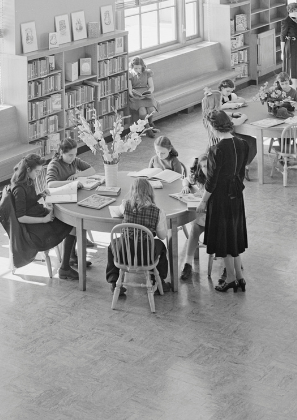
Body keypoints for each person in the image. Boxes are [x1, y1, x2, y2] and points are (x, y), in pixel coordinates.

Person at [1, 154, 80, 280]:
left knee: (72, 224)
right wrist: (44, 220)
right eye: (37, 171)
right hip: (32, 226)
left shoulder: (27, 180)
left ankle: (69, 258)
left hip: (37, 214)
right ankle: (65, 266)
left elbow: (28, 202)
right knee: (71, 225)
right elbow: (20, 217)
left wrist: (40, 195)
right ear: (28, 170)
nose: (38, 174)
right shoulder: (19, 188)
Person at [198, 110, 250, 292]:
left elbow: (211, 181)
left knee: (225, 239)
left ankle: (229, 278)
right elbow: (242, 171)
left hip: (221, 198)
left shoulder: (216, 150)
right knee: (234, 235)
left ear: (213, 127)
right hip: (236, 194)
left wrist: (203, 202)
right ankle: (239, 277)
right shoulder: (242, 144)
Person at [107, 177, 171, 296]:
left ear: (132, 191)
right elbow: (162, 236)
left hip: (125, 254)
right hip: (146, 255)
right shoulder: (158, 212)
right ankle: (159, 280)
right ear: (150, 192)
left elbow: (119, 211)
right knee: (161, 246)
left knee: (112, 246)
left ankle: (114, 282)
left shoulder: (126, 205)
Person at [177, 151, 208, 282]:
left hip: (215, 215)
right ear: (200, 168)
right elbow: (186, 179)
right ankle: (188, 264)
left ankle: (226, 266)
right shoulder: (198, 177)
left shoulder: (217, 178)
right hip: (201, 215)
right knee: (194, 229)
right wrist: (185, 186)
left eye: (209, 166)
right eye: (204, 166)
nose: (207, 169)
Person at [127, 57, 158, 137]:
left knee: (151, 109)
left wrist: (149, 92)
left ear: (142, 67)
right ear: (132, 67)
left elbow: (151, 87)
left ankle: (150, 122)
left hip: (146, 94)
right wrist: (133, 94)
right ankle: (148, 129)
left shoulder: (147, 73)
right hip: (136, 96)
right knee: (142, 111)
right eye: (135, 68)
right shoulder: (130, 74)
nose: (137, 70)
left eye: (139, 68)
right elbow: (130, 89)